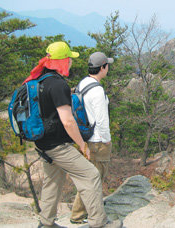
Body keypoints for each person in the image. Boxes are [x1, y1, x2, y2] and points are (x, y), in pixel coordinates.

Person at [25, 42, 108, 228]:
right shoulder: (58, 85)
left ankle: (46, 223)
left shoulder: (39, 80)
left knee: (53, 181)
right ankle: (99, 223)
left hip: (42, 143)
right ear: (62, 61)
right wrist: (82, 145)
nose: (71, 62)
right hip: (57, 146)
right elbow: (67, 121)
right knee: (91, 175)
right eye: (69, 58)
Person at [70, 52, 114, 224]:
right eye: (107, 65)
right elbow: (102, 119)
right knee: (95, 179)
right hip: (98, 141)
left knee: (88, 178)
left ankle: (82, 212)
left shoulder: (84, 83)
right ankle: (79, 215)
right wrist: (107, 139)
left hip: (87, 137)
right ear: (102, 68)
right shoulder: (97, 90)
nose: (108, 68)